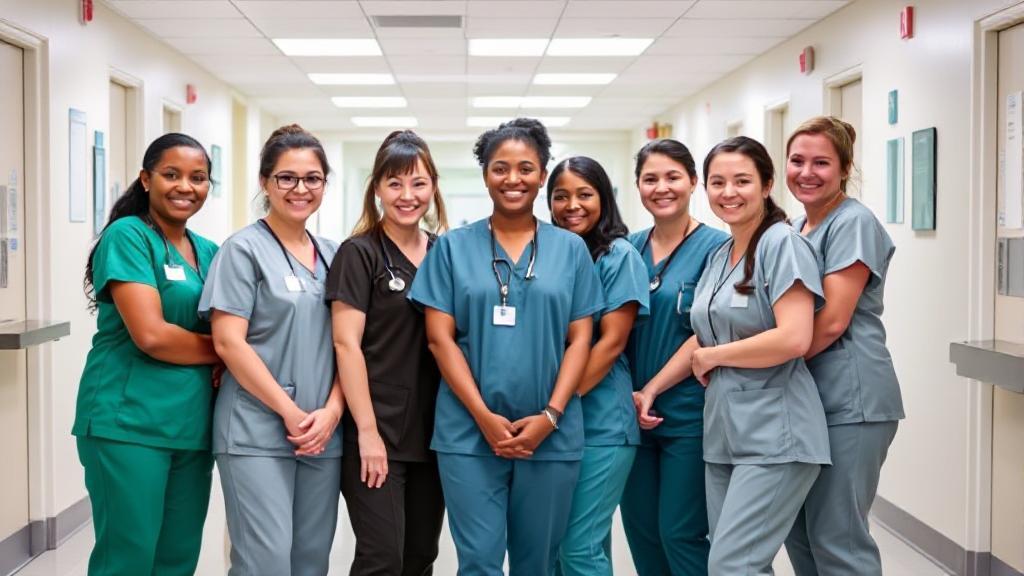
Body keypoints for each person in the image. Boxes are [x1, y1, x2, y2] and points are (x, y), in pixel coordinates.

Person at [409, 118, 603, 576]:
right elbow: (440, 340)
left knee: (537, 562)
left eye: (526, 168)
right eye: (500, 168)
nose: (513, 179)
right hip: (468, 433)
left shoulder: (571, 249)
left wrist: (551, 416)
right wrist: (482, 417)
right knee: (478, 561)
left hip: (550, 435)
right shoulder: (452, 248)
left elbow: (581, 339)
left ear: (541, 174)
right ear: (484, 174)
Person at [199, 124, 343, 576]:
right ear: (265, 182)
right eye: (287, 178)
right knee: (267, 560)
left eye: (312, 178)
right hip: (256, 431)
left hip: (322, 431)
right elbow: (228, 342)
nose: (300, 189)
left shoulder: (335, 254)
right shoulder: (242, 250)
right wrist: (288, 410)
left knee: (310, 559)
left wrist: (333, 412)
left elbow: (352, 346)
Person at [74, 133, 219, 576]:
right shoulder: (128, 236)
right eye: (171, 174)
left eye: (197, 177)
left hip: (192, 425)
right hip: (128, 422)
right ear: (146, 178)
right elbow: (152, 335)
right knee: (128, 558)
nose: (185, 186)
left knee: (177, 558)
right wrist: (226, 353)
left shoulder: (209, 252)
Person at [688, 136, 829, 575]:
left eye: (742, 181)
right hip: (725, 433)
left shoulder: (781, 244)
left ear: (767, 184)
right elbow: (706, 334)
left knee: (732, 566)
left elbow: (794, 337)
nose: (728, 192)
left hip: (777, 436)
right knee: (741, 564)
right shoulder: (719, 255)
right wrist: (654, 387)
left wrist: (713, 357)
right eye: (717, 182)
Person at [783, 117, 904, 576]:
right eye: (797, 160)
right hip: (810, 398)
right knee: (799, 531)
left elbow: (832, 321)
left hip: (852, 399)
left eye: (821, 163)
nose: (807, 172)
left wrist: (758, 364)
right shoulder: (799, 226)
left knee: (839, 538)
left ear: (845, 168)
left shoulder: (853, 222)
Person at [327, 130, 448, 575]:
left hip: (436, 431)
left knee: (420, 557)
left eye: (418, 183)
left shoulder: (443, 252)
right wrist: (367, 433)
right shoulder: (359, 254)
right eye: (394, 183)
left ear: (433, 186)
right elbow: (346, 344)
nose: (407, 195)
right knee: (382, 557)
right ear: (377, 187)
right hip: (376, 431)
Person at [619, 139, 728, 576]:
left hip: (688, 414)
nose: (661, 187)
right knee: (641, 531)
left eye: (672, 177)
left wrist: (652, 390)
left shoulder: (718, 249)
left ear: (692, 183)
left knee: (679, 532)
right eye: (650, 179)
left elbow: (705, 332)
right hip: (627, 414)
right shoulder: (626, 248)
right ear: (638, 187)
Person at [547, 156, 649, 576]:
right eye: (561, 196)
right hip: (558, 421)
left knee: (578, 547)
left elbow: (611, 343)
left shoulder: (619, 256)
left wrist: (557, 404)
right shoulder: (551, 256)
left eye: (585, 194)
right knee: (559, 545)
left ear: (604, 199)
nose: (573, 205)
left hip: (601, 423)